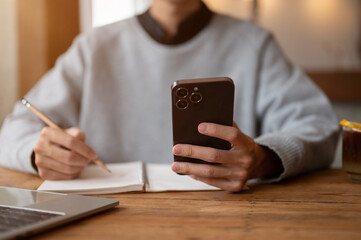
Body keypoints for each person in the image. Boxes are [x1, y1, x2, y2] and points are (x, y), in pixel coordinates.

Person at [0, 0, 339, 192]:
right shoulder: (93, 48)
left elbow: (318, 125)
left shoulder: (255, 45)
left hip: (227, 221)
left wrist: (263, 158)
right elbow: (14, 128)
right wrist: (38, 152)